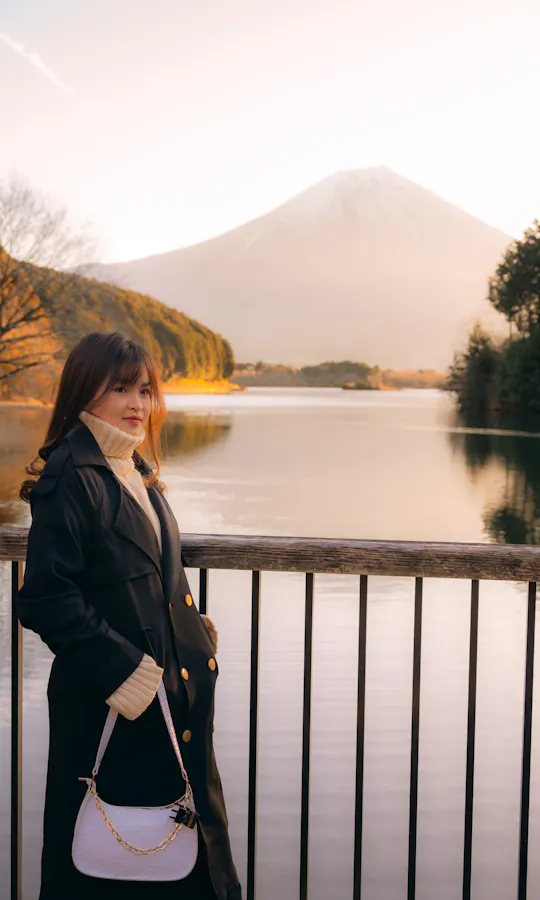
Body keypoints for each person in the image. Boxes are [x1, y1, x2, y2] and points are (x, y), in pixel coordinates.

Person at [17, 331, 242, 900]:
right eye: (120, 388)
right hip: (115, 708)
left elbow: (144, 575)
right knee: (114, 864)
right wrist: (130, 675)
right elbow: (47, 597)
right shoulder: (70, 476)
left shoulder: (132, 467)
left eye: (144, 389)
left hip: (168, 699)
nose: (138, 403)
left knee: (181, 853)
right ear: (84, 392)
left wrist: (189, 633)